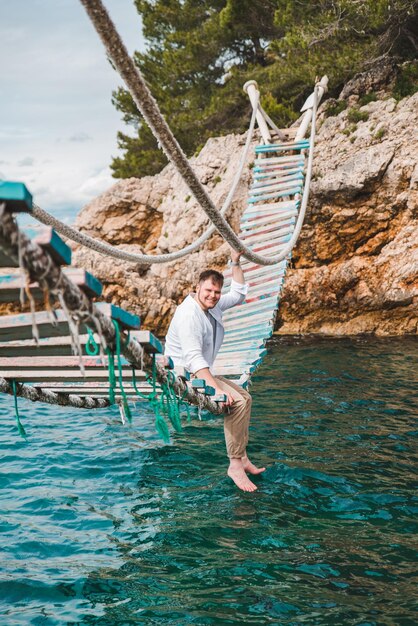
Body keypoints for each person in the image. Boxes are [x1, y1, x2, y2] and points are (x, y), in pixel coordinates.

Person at [165, 249, 265, 492]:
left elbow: (239, 294)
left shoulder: (213, 305)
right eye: (208, 290)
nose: (213, 295)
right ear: (197, 288)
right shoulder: (189, 314)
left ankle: (242, 457)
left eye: (217, 292)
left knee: (246, 397)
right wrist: (217, 388)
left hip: (198, 370)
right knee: (236, 403)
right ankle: (234, 464)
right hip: (183, 375)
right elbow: (193, 357)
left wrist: (235, 262)